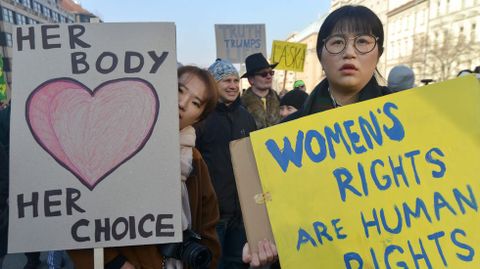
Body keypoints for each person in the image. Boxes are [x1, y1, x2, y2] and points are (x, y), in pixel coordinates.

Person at [243, 5, 395, 267]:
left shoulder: (412, 118)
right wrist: (263, 240)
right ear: (322, 56)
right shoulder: (286, 136)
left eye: (362, 42)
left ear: (379, 53)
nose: (349, 52)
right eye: (337, 42)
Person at [69, 66, 221, 269]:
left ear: (199, 117)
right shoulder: (115, 142)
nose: (182, 104)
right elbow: (77, 217)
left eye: (195, 103)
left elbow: (208, 226)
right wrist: (115, 263)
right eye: (179, 90)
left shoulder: (195, 160)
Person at [196, 59, 257, 269]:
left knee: (238, 263)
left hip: (242, 212)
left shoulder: (246, 118)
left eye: (235, 80)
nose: (233, 85)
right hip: (213, 214)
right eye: (226, 81)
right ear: (213, 85)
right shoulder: (201, 118)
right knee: (214, 263)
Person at [240, 53, 281, 129]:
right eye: (264, 74)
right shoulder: (241, 105)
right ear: (251, 80)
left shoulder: (280, 101)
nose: (269, 76)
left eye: (271, 73)